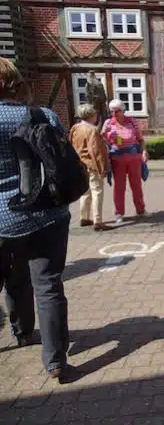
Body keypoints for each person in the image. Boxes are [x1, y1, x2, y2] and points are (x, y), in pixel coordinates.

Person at [0, 57, 72, 381]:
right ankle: (56, 361)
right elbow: (63, 157)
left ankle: (21, 332)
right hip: (46, 213)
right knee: (48, 285)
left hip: (2, 217)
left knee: (11, 280)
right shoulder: (45, 115)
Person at [102, 99, 149, 223]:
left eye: (116, 111)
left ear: (123, 110)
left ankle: (141, 210)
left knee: (136, 185)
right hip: (117, 159)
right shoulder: (108, 123)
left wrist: (144, 151)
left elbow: (141, 139)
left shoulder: (132, 122)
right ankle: (119, 213)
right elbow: (101, 140)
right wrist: (103, 132)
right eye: (111, 111)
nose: (113, 114)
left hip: (134, 158)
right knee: (119, 187)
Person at [69, 103, 110, 231]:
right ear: (91, 116)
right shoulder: (92, 130)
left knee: (85, 192)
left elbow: (70, 144)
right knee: (97, 192)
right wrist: (102, 168)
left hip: (79, 165)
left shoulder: (75, 128)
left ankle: (84, 217)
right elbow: (96, 151)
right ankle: (98, 221)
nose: (97, 116)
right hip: (92, 166)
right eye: (95, 114)